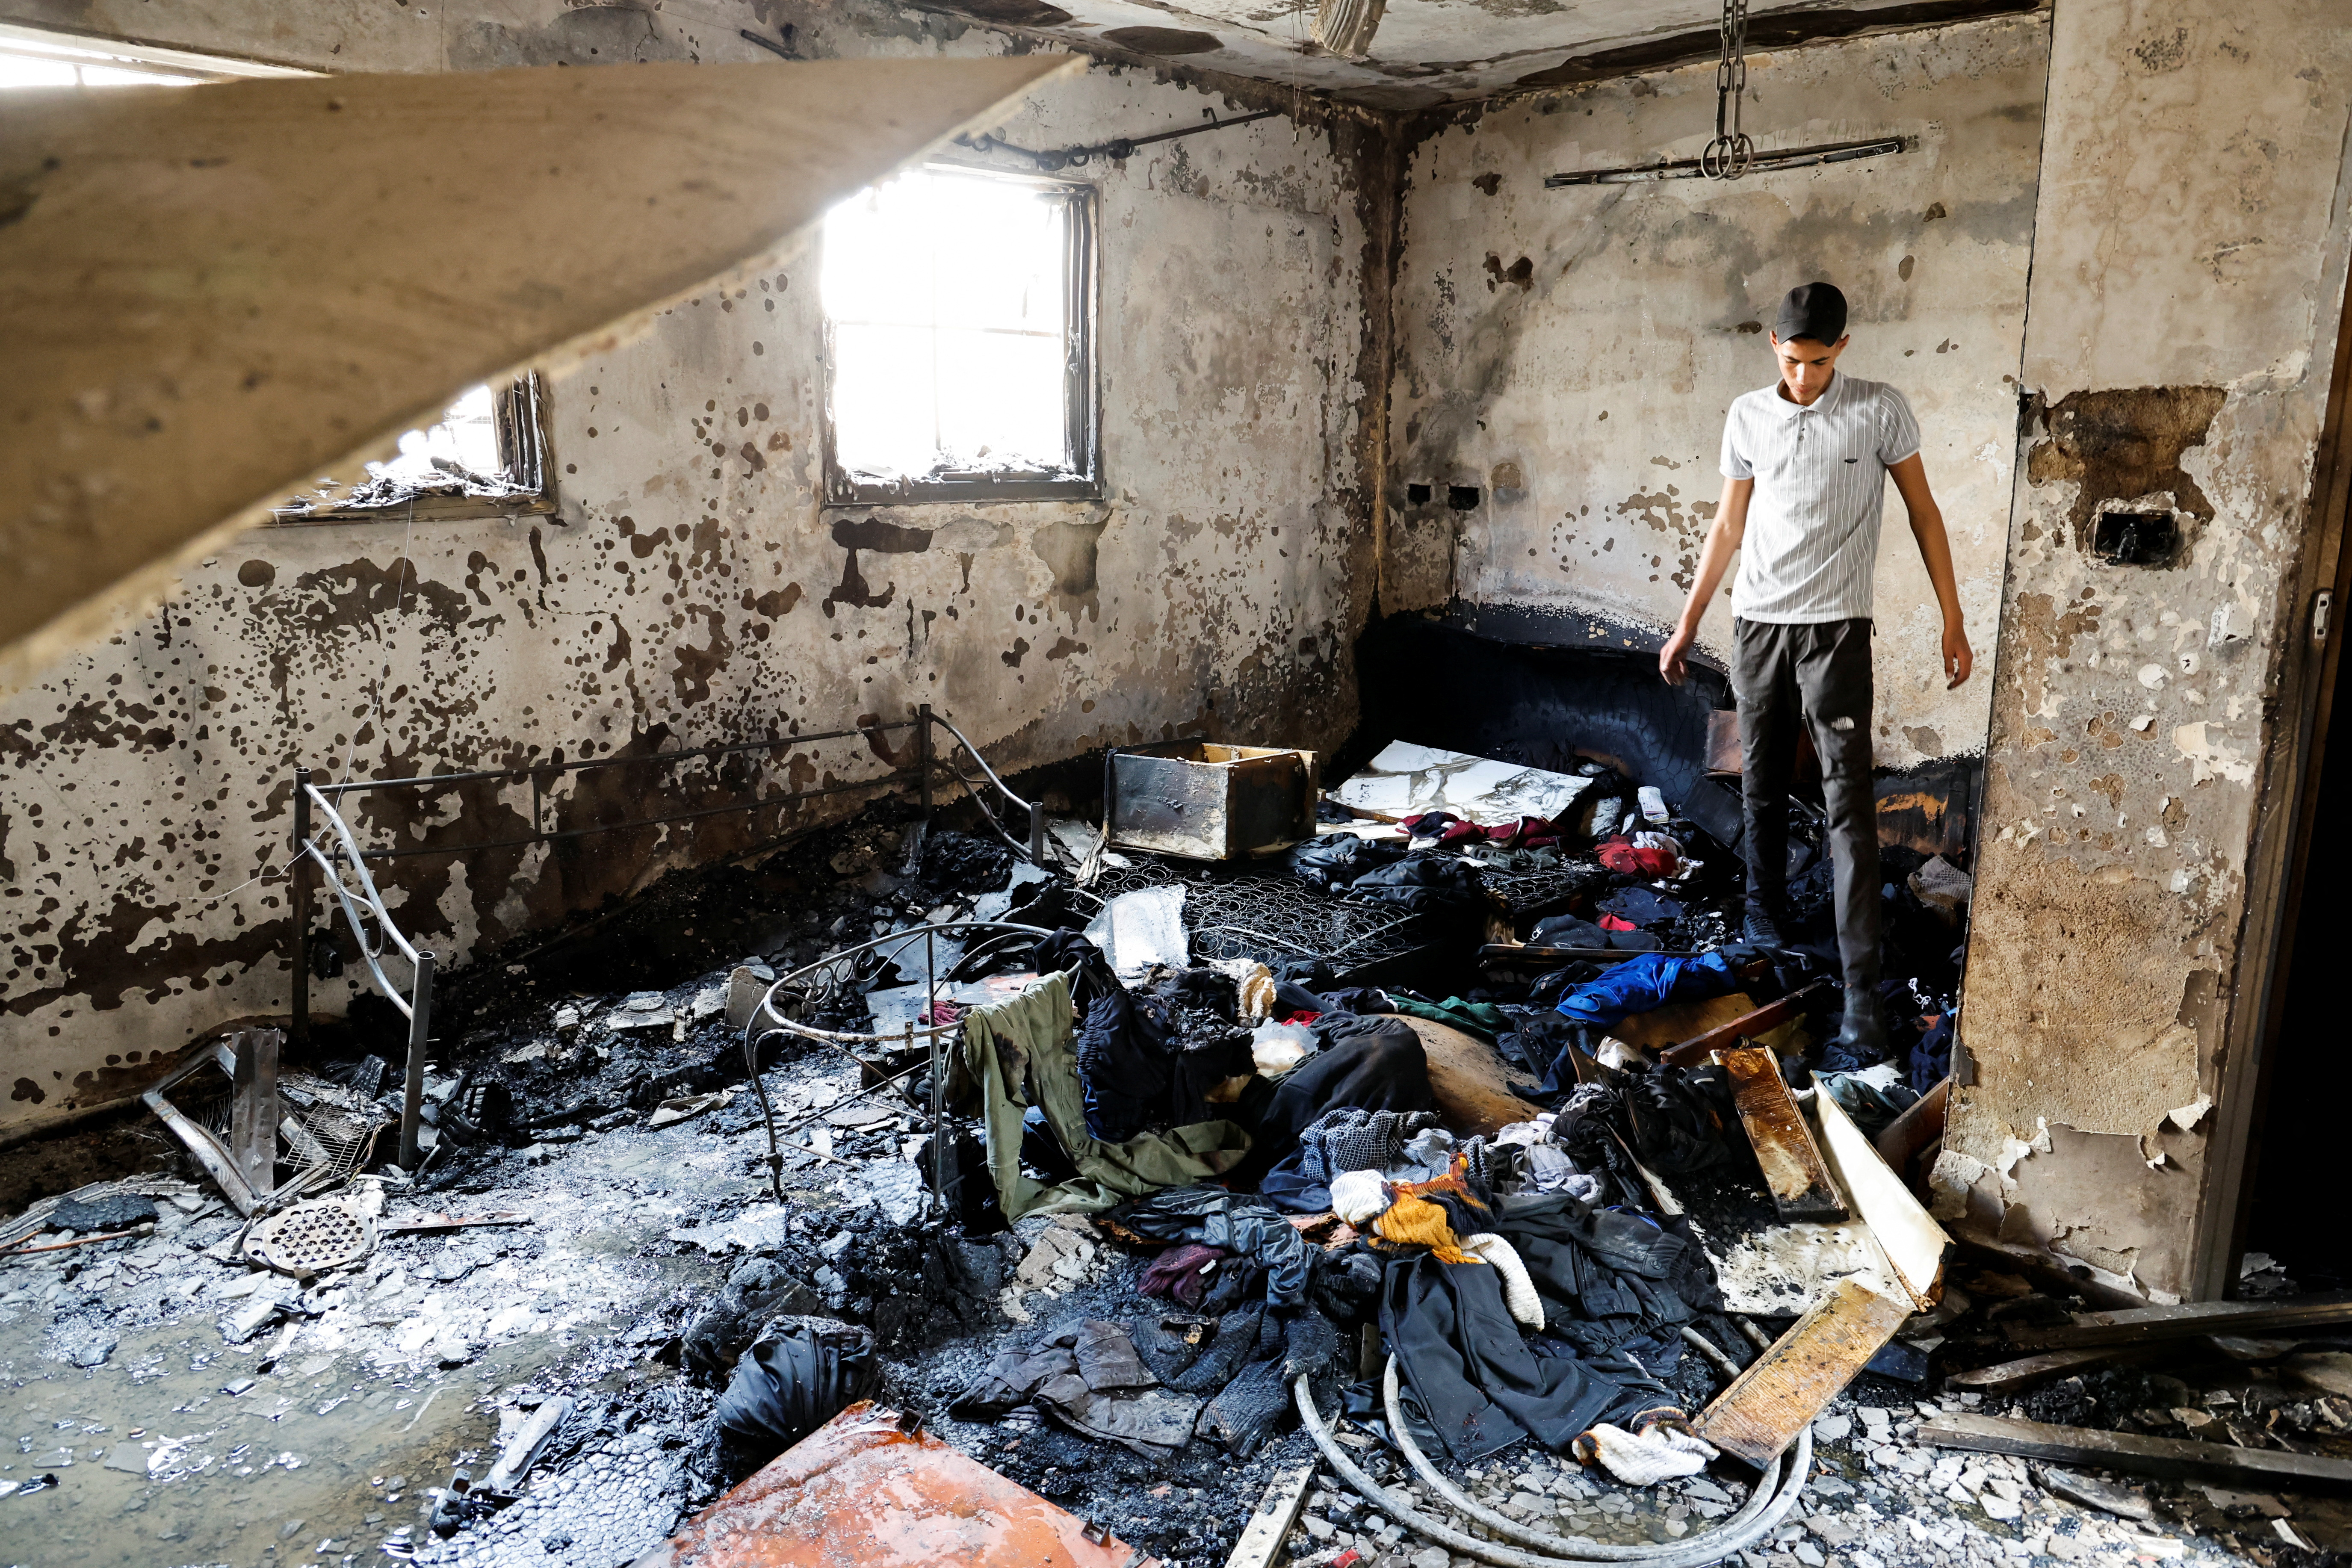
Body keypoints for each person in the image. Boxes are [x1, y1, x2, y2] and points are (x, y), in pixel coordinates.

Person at [1658, 281, 1972, 1057]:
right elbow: (1729, 522)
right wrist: (1690, 620)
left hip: (1836, 632)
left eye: (1819, 361)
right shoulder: (1747, 416)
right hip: (1758, 627)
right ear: (1775, 344)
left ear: (1843, 349)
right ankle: (1759, 928)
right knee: (1759, 786)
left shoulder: (1879, 410)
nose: (1804, 377)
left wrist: (1953, 617)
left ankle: (1863, 990)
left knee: (1847, 806)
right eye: (1793, 361)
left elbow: (1924, 513)